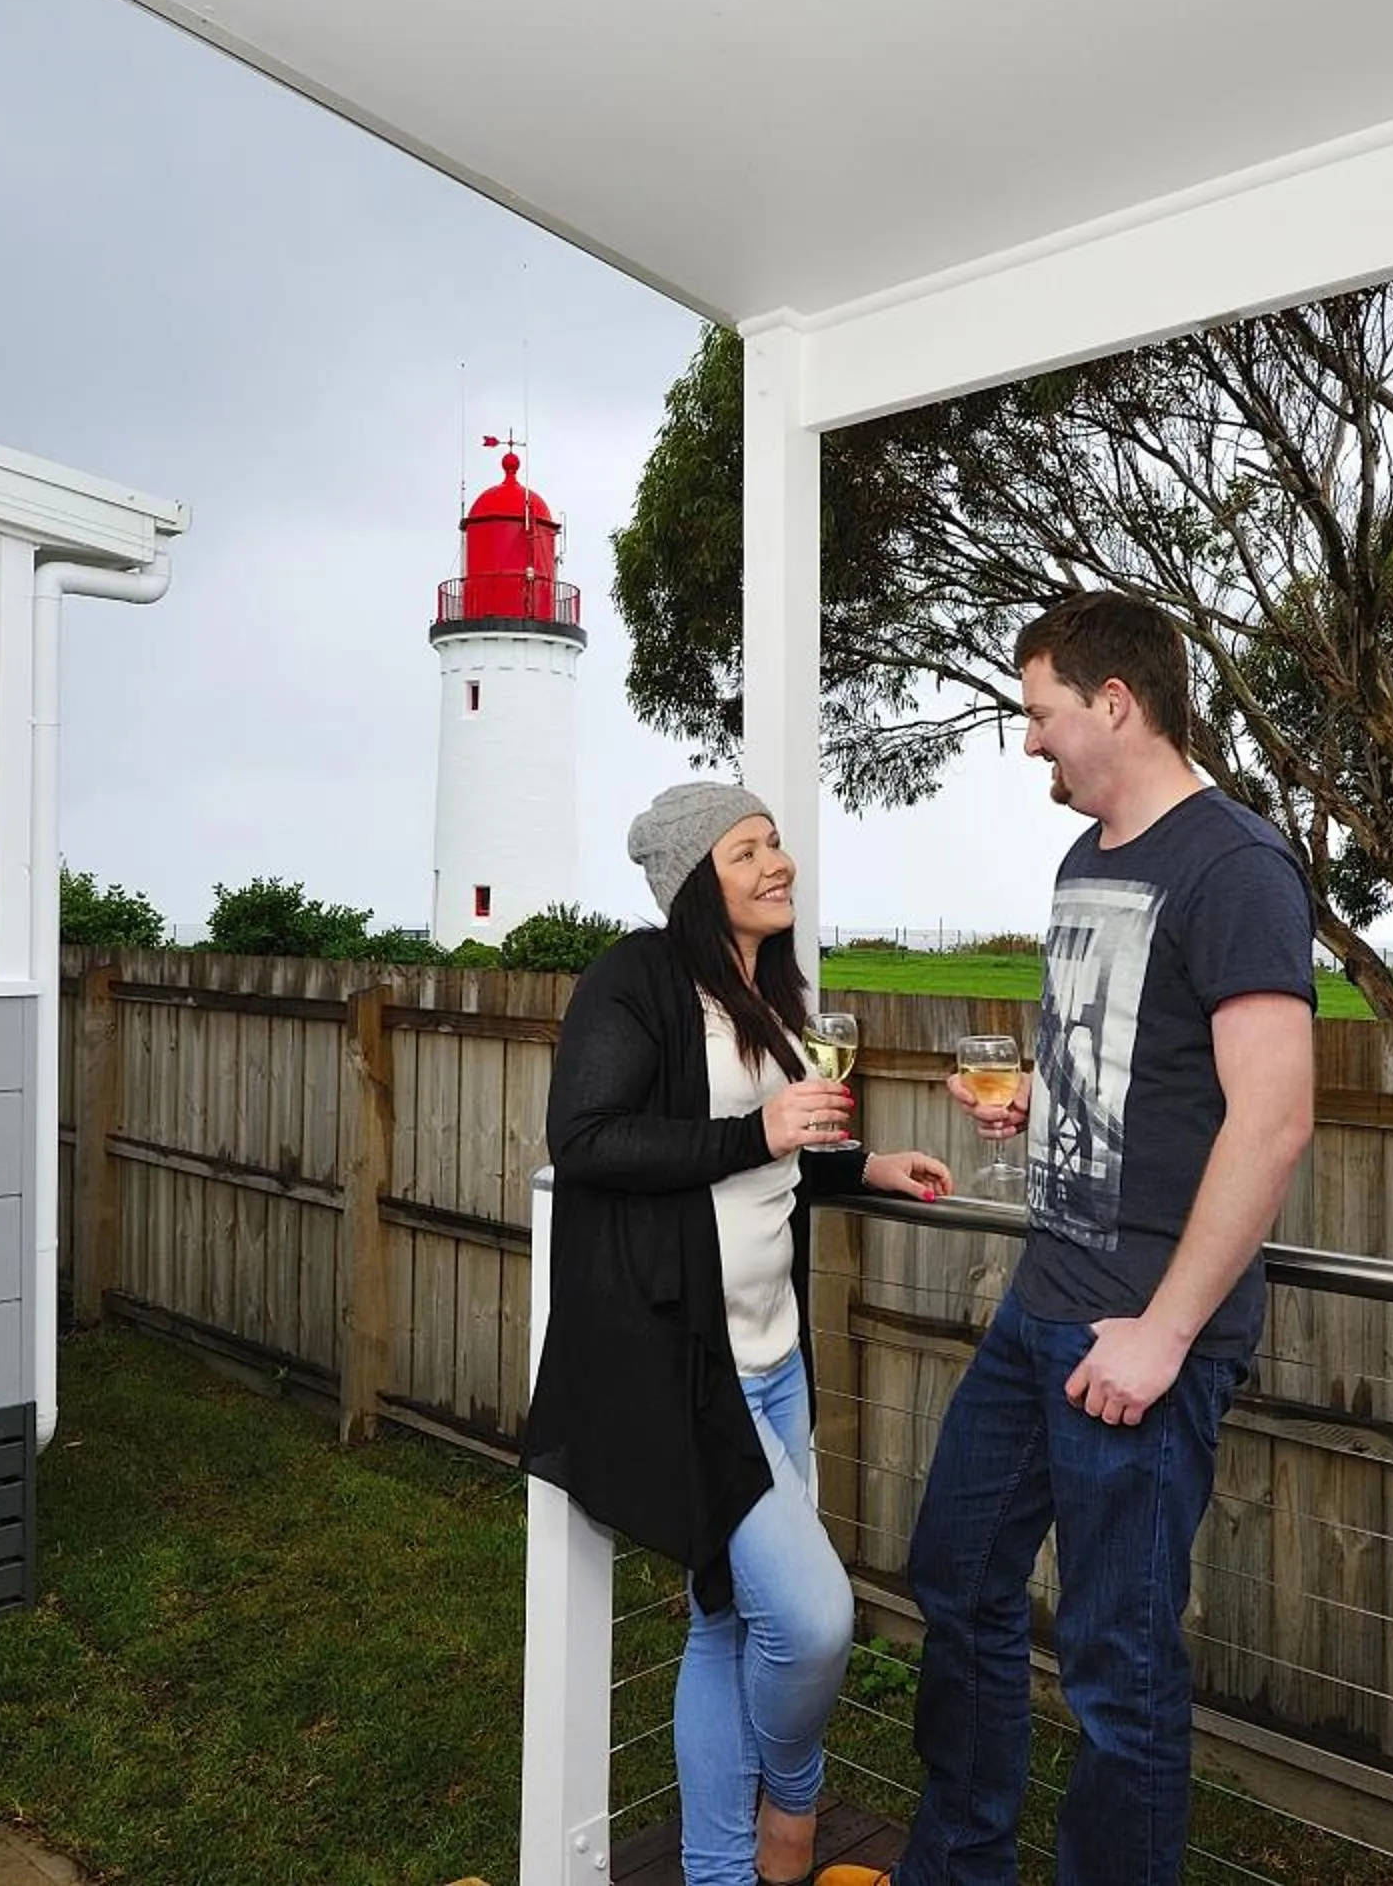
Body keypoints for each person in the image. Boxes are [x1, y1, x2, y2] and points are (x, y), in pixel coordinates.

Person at [820, 593, 1317, 1886]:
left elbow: (1271, 1120)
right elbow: (1134, 1065)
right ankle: (961, 1862)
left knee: (1118, 1664)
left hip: (1143, 1331)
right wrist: (1044, 1099)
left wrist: (1164, 1332)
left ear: (1115, 702)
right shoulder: (1089, 858)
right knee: (959, 1577)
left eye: (1038, 713)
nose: (1028, 742)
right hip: (1044, 1300)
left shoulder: (1238, 867)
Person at [524, 781, 956, 1886]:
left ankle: (721, 1873)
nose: (779, 862)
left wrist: (861, 1164)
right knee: (812, 1623)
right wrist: (754, 1129)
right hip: (689, 1362)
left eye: (776, 841)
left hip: (775, 1358)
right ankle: (794, 1805)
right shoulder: (637, 978)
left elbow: (776, 1148)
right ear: (693, 880)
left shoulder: (766, 988)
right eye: (748, 848)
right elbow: (588, 1139)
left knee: (727, 1621)